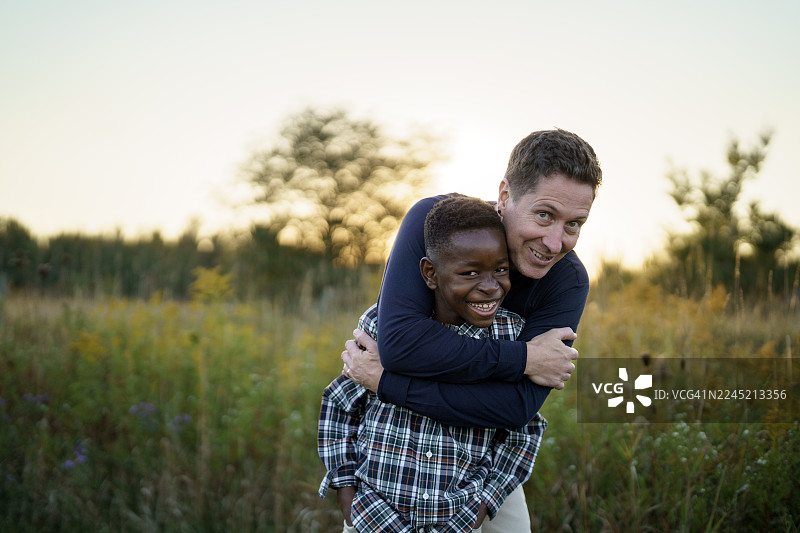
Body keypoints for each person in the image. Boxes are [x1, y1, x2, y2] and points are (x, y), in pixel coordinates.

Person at [341, 128, 602, 528]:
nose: (554, 242)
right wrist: (526, 357)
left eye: (574, 224)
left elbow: (514, 409)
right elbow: (401, 345)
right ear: (505, 196)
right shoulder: (436, 225)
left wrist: (388, 383)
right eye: (544, 215)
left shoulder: (567, 282)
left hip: (486, 465)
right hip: (390, 455)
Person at [319, 196, 546, 532]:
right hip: (374, 517)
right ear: (431, 274)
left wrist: (483, 505)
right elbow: (340, 405)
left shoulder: (511, 335)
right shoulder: (382, 327)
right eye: (470, 272)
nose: (490, 287)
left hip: (457, 518)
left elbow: (523, 431)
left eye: (500, 270)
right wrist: (349, 498)